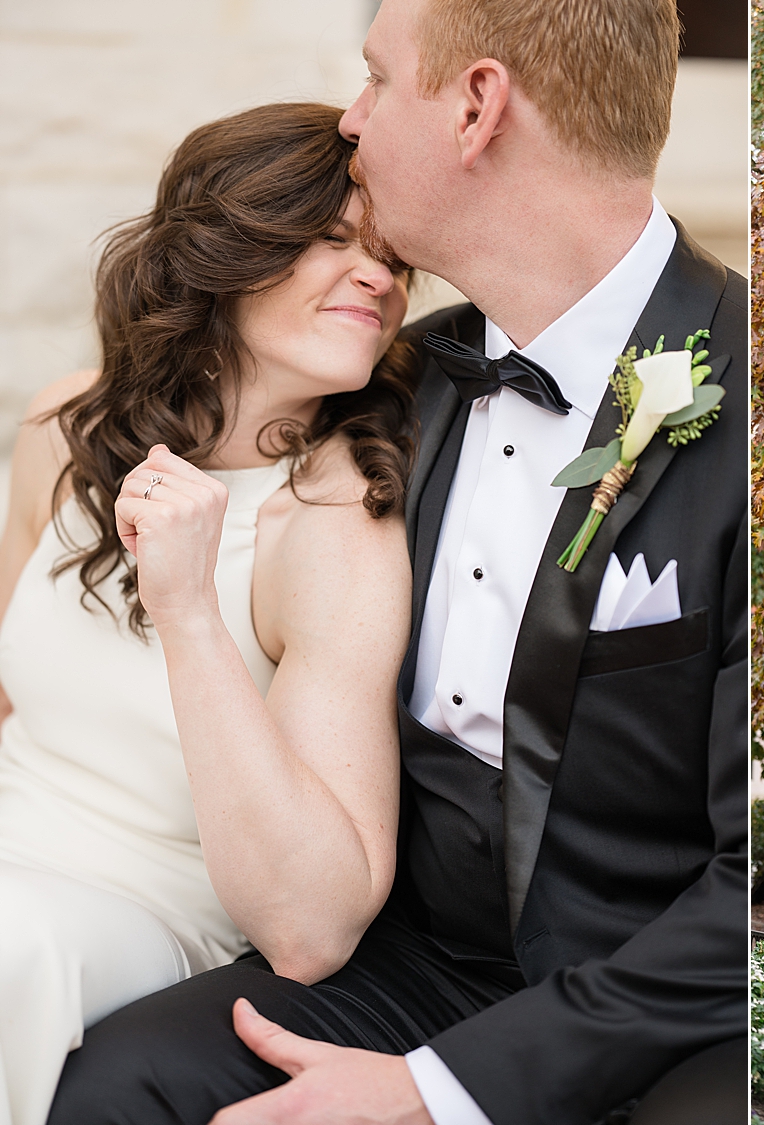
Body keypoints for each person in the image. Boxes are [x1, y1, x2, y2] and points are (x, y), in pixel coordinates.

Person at [49, 1, 748, 1123]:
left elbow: (757, 890)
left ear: (476, 107)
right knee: (115, 1087)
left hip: (663, 1016)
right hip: (407, 964)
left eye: (376, 79)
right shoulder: (398, 383)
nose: (353, 119)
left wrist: (443, 1093)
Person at [0, 103, 415, 1125]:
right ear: (227, 254)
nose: (379, 276)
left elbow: (315, 928)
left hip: (140, 906)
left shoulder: (330, 524)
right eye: (330, 239)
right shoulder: (67, 430)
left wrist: (185, 606)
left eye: (393, 255)